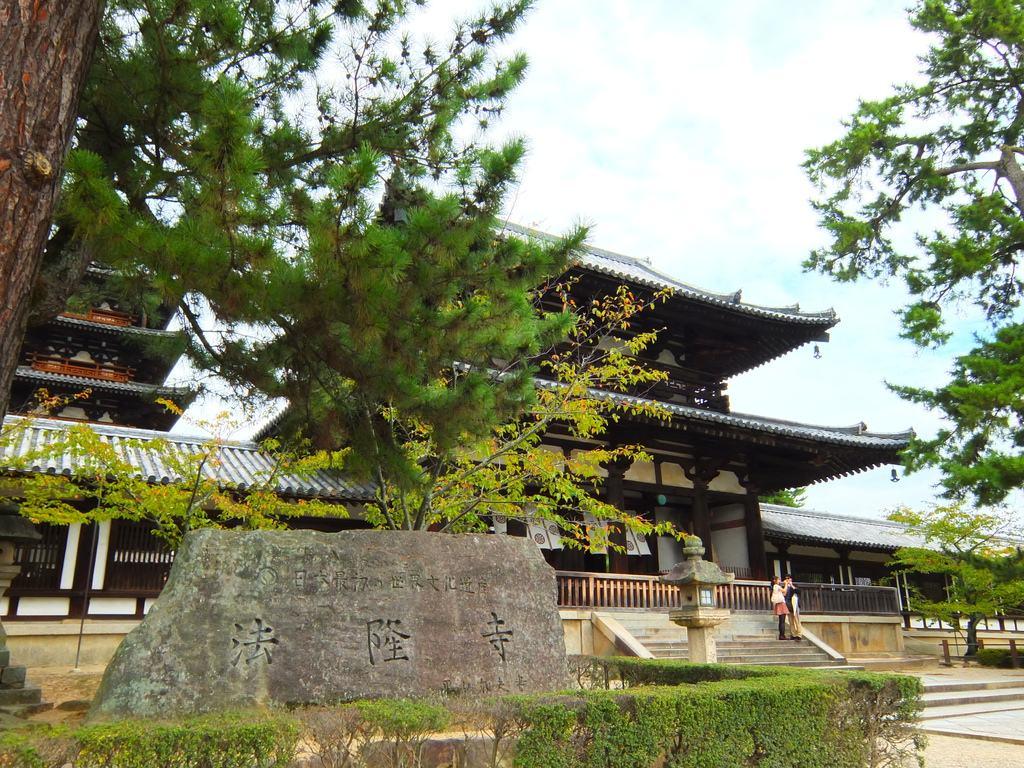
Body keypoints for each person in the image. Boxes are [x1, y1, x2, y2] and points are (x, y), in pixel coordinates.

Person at [783, 575, 802, 640]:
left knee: (797, 620)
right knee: (791, 621)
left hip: (794, 605)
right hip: (788, 605)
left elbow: (799, 591)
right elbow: (784, 594)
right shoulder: (785, 587)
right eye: (786, 579)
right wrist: (786, 585)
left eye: (788, 578)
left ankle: (799, 634)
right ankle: (793, 634)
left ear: (791, 579)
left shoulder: (794, 586)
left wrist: (791, 585)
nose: (787, 580)